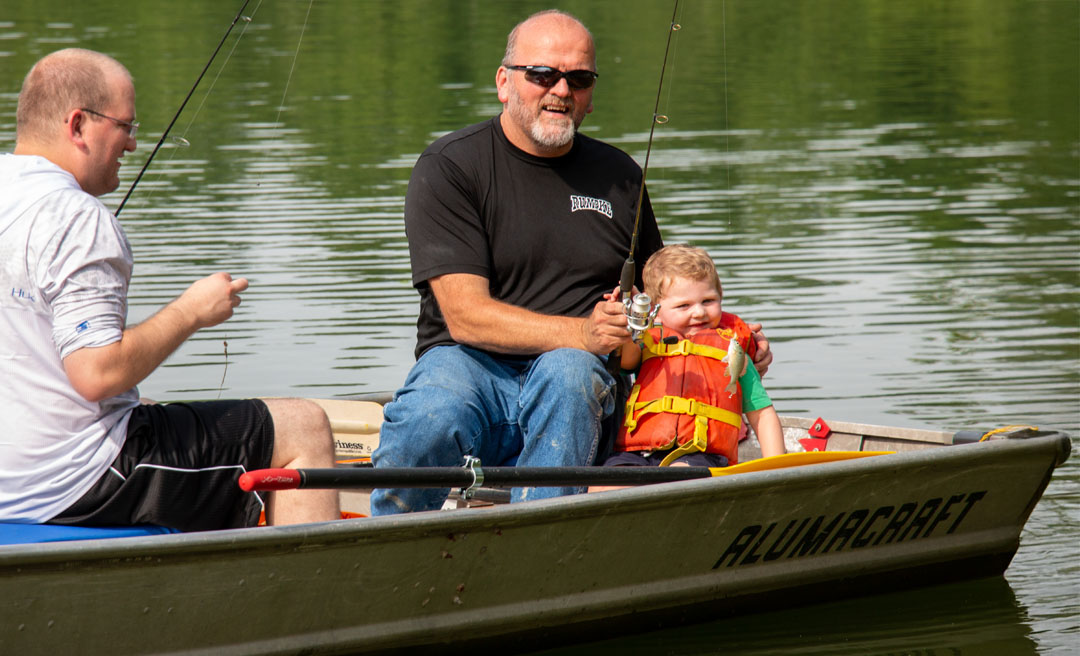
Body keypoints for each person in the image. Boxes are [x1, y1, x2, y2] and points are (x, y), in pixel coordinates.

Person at [370, 11, 772, 515]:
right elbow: (464, 315)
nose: (561, 89)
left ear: (590, 92)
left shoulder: (620, 176)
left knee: (568, 374)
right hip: (466, 365)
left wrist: (726, 341)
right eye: (543, 74)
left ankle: (537, 540)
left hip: (583, 387)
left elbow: (664, 304)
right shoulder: (451, 167)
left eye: (578, 78)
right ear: (504, 81)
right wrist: (583, 333)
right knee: (432, 408)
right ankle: (392, 543)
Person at [0, 48, 339, 531]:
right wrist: (192, 311)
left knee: (149, 406)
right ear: (77, 125)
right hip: (74, 485)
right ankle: (307, 601)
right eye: (126, 126)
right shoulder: (77, 219)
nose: (133, 144)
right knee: (303, 426)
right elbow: (96, 374)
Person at [605, 244, 785, 474]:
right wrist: (626, 318)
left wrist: (777, 469)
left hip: (700, 455)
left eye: (708, 301)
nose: (699, 312)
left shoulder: (733, 352)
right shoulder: (647, 343)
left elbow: (763, 414)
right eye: (684, 306)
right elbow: (627, 360)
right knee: (602, 485)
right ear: (655, 310)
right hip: (636, 453)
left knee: (677, 477)